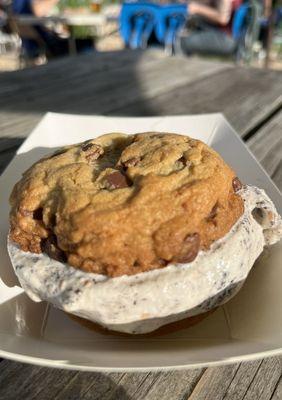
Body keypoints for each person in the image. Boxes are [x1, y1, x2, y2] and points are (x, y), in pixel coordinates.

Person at [12, 0, 94, 59]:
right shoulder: (23, 3)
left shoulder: (17, 4)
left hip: (31, 45)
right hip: (45, 46)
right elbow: (39, 10)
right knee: (87, 43)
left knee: (84, 41)